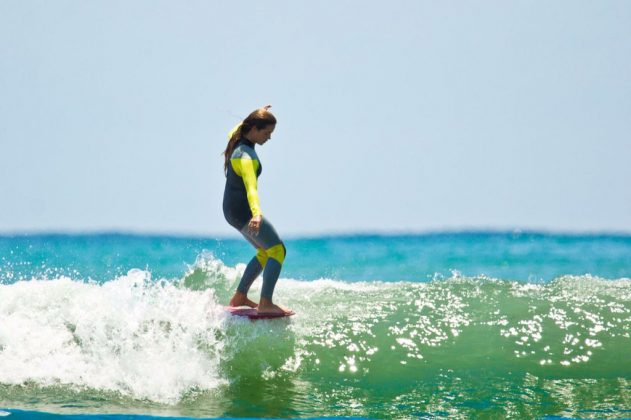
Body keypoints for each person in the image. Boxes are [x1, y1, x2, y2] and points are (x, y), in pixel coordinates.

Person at [222, 105, 293, 316]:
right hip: (243, 210)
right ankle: (266, 303)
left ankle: (240, 296)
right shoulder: (245, 158)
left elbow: (239, 126)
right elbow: (251, 188)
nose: (269, 138)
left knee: (265, 251)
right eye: (266, 133)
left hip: (231, 210)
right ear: (253, 129)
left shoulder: (237, 137)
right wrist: (257, 213)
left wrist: (258, 111)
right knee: (278, 250)